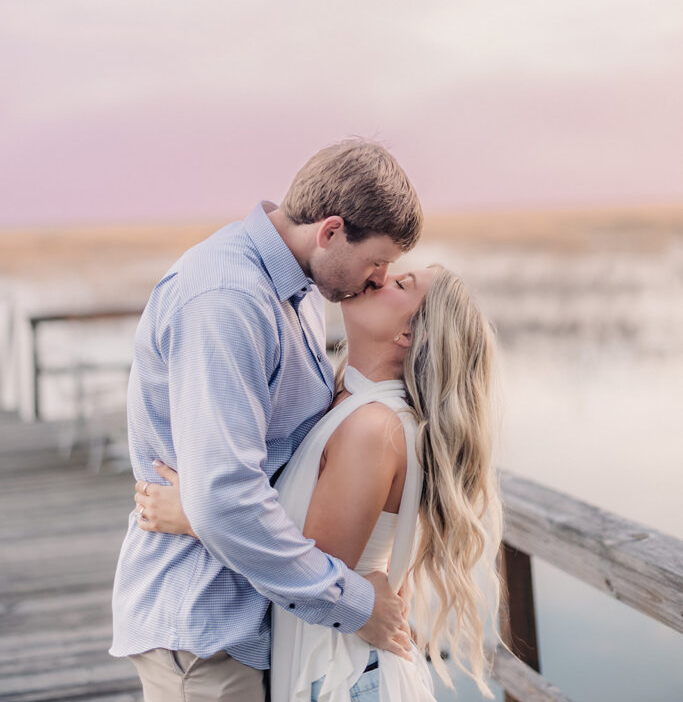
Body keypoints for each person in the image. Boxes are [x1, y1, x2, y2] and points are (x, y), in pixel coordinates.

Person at [110, 140, 423, 702]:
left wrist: (196, 512)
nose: (376, 278)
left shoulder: (300, 289)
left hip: (257, 623)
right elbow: (226, 498)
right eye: (376, 262)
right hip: (205, 628)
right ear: (330, 232)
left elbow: (273, 468)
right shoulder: (228, 298)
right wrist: (355, 605)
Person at [133, 264, 503, 700]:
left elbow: (306, 565)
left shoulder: (374, 427)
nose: (380, 277)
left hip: (345, 677)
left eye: (401, 284)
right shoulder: (347, 399)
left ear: (409, 334)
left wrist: (196, 514)